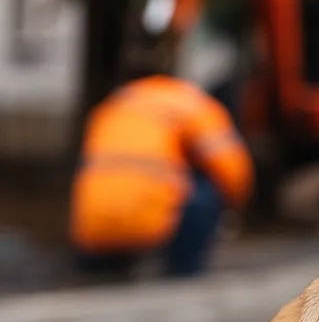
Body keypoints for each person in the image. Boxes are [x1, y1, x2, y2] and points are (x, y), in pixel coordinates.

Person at [69, 40, 255, 278]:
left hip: (93, 232)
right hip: (147, 224)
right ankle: (184, 271)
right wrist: (236, 206)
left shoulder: (110, 107)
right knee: (205, 190)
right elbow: (233, 169)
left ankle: (107, 266)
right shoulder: (189, 103)